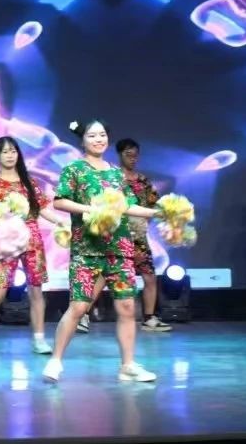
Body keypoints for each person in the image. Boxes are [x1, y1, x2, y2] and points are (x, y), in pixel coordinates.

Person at [40, 119, 159, 384]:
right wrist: (90, 209)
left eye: (102, 134)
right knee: (79, 306)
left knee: (127, 306)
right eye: (92, 135)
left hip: (119, 249)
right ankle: (56, 360)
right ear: (83, 140)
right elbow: (59, 201)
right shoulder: (74, 169)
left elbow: (127, 205)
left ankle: (128, 365)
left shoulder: (116, 174)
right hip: (87, 250)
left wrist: (156, 213)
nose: (98, 139)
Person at [0, 136, 66, 355]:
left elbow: (42, 208)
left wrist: (59, 221)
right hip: (5, 241)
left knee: (36, 290)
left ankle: (39, 339)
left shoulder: (29, 181)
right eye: (5, 152)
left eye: (13, 151)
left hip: (31, 239)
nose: (10, 155)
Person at [116, 138, 172, 333]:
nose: (132, 158)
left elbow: (155, 205)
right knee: (104, 277)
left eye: (135, 155)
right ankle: (83, 315)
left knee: (149, 276)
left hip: (139, 238)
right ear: (120, 155)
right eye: (128, 154)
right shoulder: (113, 178)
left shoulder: (143, 181)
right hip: (117, 237)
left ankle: (149, 318)